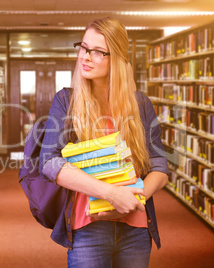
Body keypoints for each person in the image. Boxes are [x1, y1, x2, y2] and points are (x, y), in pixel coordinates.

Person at [38, 17, 169, 268]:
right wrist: (111, 194)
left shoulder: (140, 104)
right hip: (89, 228)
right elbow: (49, 163)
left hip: (136, 228)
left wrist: (133, 200)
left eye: (97, 52)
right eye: (84, 47)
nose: (85, 57)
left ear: (117, 58)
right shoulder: (67, 101)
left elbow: (160, 166)